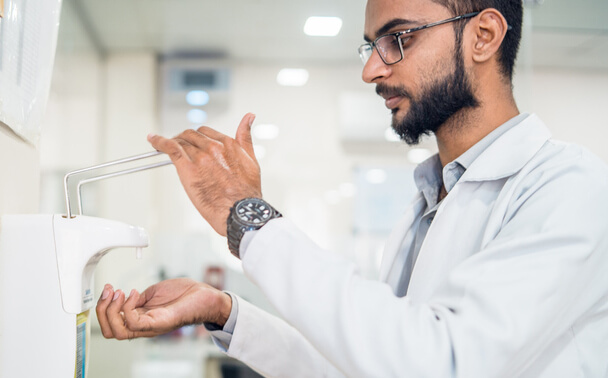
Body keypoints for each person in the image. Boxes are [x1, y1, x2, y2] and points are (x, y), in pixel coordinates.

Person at [95, 0, 608, 376]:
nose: (371, 69)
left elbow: (444, 363)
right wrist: (223, 310)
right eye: (372, 45)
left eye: (398, 38)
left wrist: (248, 217)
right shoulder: (425, 206)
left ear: (484, 36)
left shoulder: (569, 189)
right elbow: (370, 365)